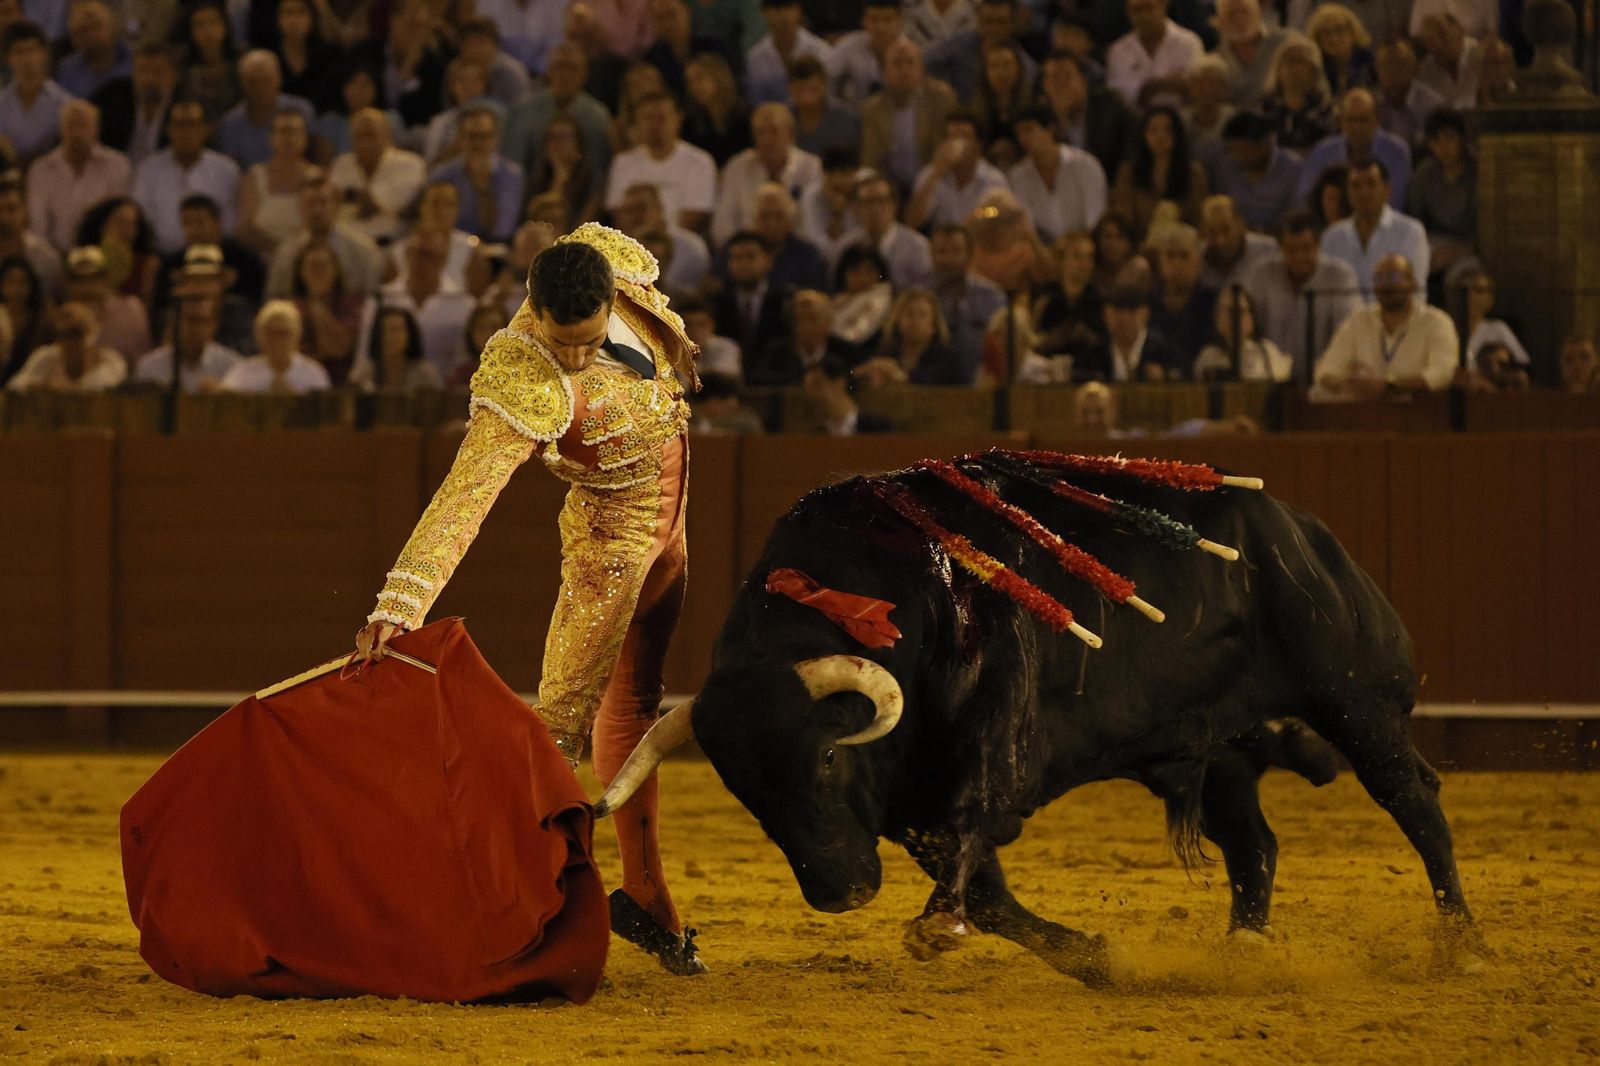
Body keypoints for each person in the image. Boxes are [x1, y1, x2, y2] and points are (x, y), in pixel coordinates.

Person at [354, 223, 707, 976]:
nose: (573, 358)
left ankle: (646, 900)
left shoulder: (609, 265)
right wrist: (401, 602)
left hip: (671, 535)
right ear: (534, 309)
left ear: (611, 298)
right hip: (608, 552)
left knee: (635, 705)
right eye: (561, 342)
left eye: (585, 342)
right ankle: (499, 916)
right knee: (556, 739)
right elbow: (465, 496)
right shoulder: (521, 370)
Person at [1312, 252, 1457, 399]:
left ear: (1413, 282)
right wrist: (1352, 384)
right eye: (1379, 278)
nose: (1386, 284)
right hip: (1363, 413)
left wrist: (1389, 385)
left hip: (1419, 414)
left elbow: (1443, 373)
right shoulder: (1358, 321)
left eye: (1394, 277)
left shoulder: (1436, 321)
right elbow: (1325, 371)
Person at [1242, 208, 1361, 381]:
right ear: (1280, 247)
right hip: (1269, 381)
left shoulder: (1340, 276)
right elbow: (1246, 328)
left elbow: (1348, 335)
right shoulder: (1262, 273)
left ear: (1319, 245)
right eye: (1291, 250)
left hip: (1324, 381)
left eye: (1306, 249)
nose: (1298, 257)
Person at [131, 101, 240, 256]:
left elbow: (230, 222)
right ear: (168, 130)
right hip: (160, 256)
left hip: (214, 255)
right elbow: (141, 219)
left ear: (206, 129)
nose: (186, 132)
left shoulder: (227, 170)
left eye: (193, 124)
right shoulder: (148, 169)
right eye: (179, 125)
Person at [26, 100, 131, 255]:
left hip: (105, 257)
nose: (77, 133)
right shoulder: (40, 170)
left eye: (83, 125)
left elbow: (120, 221)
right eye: (71, 125)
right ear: (61, 130)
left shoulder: (117, 166)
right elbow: (38, 226)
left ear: (96, 129)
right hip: (53, 258)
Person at [711, 104, 823, 247]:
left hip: (796, 251)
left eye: (773, 131)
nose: (766, 140)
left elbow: (814, 224)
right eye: (760, 133)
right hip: (748, 251)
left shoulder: (812, 168)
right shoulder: (737, 167)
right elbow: (722, 226)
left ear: (790, 134)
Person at [605, 93, 718, 233]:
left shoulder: (700, 162)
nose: (654, 125)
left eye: (661, 118)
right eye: (648, 118)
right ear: (637, 123)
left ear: (678, 120)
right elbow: (618, 212)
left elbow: (695, 214)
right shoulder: (623, 163)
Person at [1319, 158, 1428, 300]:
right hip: (1346, 320)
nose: (1363, 192)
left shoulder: (1410, 231)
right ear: (1348, 192)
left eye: (1371, 184)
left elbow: (1416, 294)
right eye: (1356, 185)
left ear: (1386, 190)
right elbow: (1324, 295)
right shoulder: (1332, 236)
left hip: (1395, 319)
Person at [860, 37, 957, 196]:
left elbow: (944, 148)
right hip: (890, 189)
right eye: (897, 63)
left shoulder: (942, 97)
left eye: (910, 62)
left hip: (934, 182)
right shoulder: (871, 109)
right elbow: (871, 160)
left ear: (922, 69)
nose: (904, 69)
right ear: (884, 71)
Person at [1295, 87, 1412, 210]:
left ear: (1377, 121)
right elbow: (1304, 197)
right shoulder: (1324, 150)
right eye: (1350, 120)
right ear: (1340, 121)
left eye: (1363, 120)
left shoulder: (1396, 151)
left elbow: (1395, 201)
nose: (1357, 127)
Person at [328, 108, 427, 247]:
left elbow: (397, 205)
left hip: (393, 245)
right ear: (351, 139)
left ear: (387, 135)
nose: (366, 142)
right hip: (348, 246)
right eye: (360, 136)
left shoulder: (411, 164)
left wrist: (366, 202)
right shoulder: (341, 164)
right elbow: (334, 206)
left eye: (371, 135)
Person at [904, 112, 1008, 232]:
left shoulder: (993, 179)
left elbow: (997, 212)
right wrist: (936, 173)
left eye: (963, 137)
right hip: (943, 244)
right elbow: (912, 222)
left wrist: (976, 216)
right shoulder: (931, 173)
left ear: (978, 144)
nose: (956, 142)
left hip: (981, 240)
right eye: (951, 137)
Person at [1109, 104, 1206, 231]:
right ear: (1143, 135)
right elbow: (1123, 219)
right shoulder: (1128, 172)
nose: (1160, 136)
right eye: (1153, 130)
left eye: (1167, 130)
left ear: (1177, 135)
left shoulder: (1194, 173)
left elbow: (1199, 219)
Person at [235, 110, 317, 257]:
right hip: (263, 259)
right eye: (283, 132)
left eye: (295, 132)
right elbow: (243, 229)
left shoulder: (317, 176)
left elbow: (322, 225)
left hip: (306, 257)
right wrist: (278, 252)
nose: (289, 138)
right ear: (271, 138)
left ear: (305, 138)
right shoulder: (254, 176)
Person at [216, 51, 315, 170]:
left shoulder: (302, 110)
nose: (260, 88)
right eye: (253, 82)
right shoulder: (231, 123)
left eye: (266, 80)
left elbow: (314, 154)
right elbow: (231, 169)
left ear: (279, 78)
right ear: (242, 83)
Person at [930, 223, 1006, 376]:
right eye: (942, 252)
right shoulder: (920, 295)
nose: (949, 259)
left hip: (983, 385)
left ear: (969, 254)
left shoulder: (992, 297)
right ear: (931, 255)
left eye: (956, 251)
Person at [854, 287, 971, 387]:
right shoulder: (886, 352)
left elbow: (931, 380)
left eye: (922, 315)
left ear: (933, 326)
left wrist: (897, 375)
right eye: (909, 314)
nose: (915, 320)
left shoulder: (947, 358)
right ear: (898, 322)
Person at [1211, 110, 1303, 232]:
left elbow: (1296, 216)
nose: (1238, 157)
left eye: (1245, 151)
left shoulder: (1293, 168)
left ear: (1267, 144)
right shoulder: (1227, 165)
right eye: (1233, 151)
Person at [131, 294, 242, 393]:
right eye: (191, 320)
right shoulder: (149, 367)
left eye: (202, 321)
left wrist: (223, 393)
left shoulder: (231, 366)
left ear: (213, 326)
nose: (196, 328)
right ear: (175, 322)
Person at [6, 300, 126, 391]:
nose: (69, 341)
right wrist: (37, 386)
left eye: (75, 333)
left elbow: (107, 386)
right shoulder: (46, 357)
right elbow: (15, 386)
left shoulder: (110, 360)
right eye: (62, 335)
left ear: (91, 335)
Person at [1077, 283, 1187, 382]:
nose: (1123, 318)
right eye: (1117, 310)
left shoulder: (1166, 352)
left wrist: (1164, 377)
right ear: (1105, 314)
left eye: (1131, 310)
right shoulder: (1092, 355)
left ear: (1145, 313)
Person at [1105, 0, 1204, 108]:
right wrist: (1156, 86)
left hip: (1182, 120)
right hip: (1134, 121)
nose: (1144, 16)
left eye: (1149, 7)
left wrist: (1149, 88)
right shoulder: (1118, 51)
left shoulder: (1189, 43)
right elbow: (1119, 97)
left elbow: (1197, 89)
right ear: (1128, 13)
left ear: (1164, 5)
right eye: (1137, 10)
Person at [749, 287, 855, 385]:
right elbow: (757, 380)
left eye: (812, 318)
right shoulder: (777, 351)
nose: (806, 325)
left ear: (828, 322)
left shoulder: (845, 352)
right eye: (799, 318)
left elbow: (854, 381)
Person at [220, 300, 333, 393]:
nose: (278, 340)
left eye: (284, 333)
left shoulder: (314, 373)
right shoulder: (241, 373)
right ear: (259, 336)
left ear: (297, 335)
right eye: (271, 333)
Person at [0, 20, 72, 165]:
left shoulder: (65, 103)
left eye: (32, 50)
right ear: (7, 59)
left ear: (45, 53)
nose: (27, 60)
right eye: (19, 52)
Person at [711, 231, 790, 362]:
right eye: (737, 257)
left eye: (750, 257)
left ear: (768, 261)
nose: (743, 264)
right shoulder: (717, 301)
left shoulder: (783, 300)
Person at [291, 242, 363, 383]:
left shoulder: (351, 305)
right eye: (312, 266)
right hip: (300, 383)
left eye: (323, 265)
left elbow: (338, 349)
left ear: (335, 270)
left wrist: (317, 307)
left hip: (341, 385)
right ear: (301, 272)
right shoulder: (290, 310)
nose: (318, 272)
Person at [850, 173, 934, 291]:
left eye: (880, 201)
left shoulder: (918, 248)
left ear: (894, 205)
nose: (874, 209)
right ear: (856, 208)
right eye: (867, 202)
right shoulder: (847, 246)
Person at [1193, 284, 1291, 381]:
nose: (1235, 319)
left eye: (1241, 311)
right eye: (1228, 311)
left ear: (1252, 318)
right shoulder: (1208, 357)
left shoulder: (1268, 353)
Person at [745, 0, 833, 106]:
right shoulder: (754, 58)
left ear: (798, 11)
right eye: (776, 9)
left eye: (787, 7)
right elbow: (757, 104)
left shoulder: (821, 52)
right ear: (764, 13)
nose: (782, 15)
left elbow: (829, 99)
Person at [1033, 229, 1105, 357]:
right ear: (1061, 259)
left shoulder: (1099, 301)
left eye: (1090, 257)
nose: (1085, 264)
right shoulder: (1045, 297)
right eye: (1077, 256)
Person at [1259, 34, 1336, 154]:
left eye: (1301, 62)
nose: (1294, 68)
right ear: (1278, 68)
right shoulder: (1265, 107)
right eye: (1289, 61)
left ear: (1314, 70)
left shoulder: (1325, 109)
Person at [349, 304, 444, 392]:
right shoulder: (362, 374)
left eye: (397, 330)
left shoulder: (425, 375)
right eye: (385, 330)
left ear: (409, 335)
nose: (391, 337)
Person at [803, 352, 896, 434]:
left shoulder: (879, 429)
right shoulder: (816, 436)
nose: (811, 394)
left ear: (840, 382)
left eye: (817, 385)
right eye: (808, 389)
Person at [788, 55, 860, 159]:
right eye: (800, 90)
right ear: (790, 89)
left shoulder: (847, 118)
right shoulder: (783, 119)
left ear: (824, 85)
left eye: (813, 89)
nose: (807, 98)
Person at [1198, 194, 1276, 291]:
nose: (1220, 241)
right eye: (1212, 232)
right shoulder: (1196, 257)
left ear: (1240, 224)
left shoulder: (1267, 250)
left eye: (1226, 230)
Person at [1458, 270, 1529, 370]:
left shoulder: (1497, 328)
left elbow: (1522, 363)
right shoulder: (1448, 329)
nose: (1471, 296)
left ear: (1491, 299)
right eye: (1465, 291)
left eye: (1479, 291)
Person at [1307, 3, 1376, 96]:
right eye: (1326, 33)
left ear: (1352, 32)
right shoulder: (1315, 68)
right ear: (1318, 39)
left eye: (1339, 30)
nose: (1333, 38)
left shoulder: (1370, 62)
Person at [689, 371, 765, 434]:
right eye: (724, 399)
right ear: (709, 402)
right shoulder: (684, 420)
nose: (734, 405)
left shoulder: (745, 422)